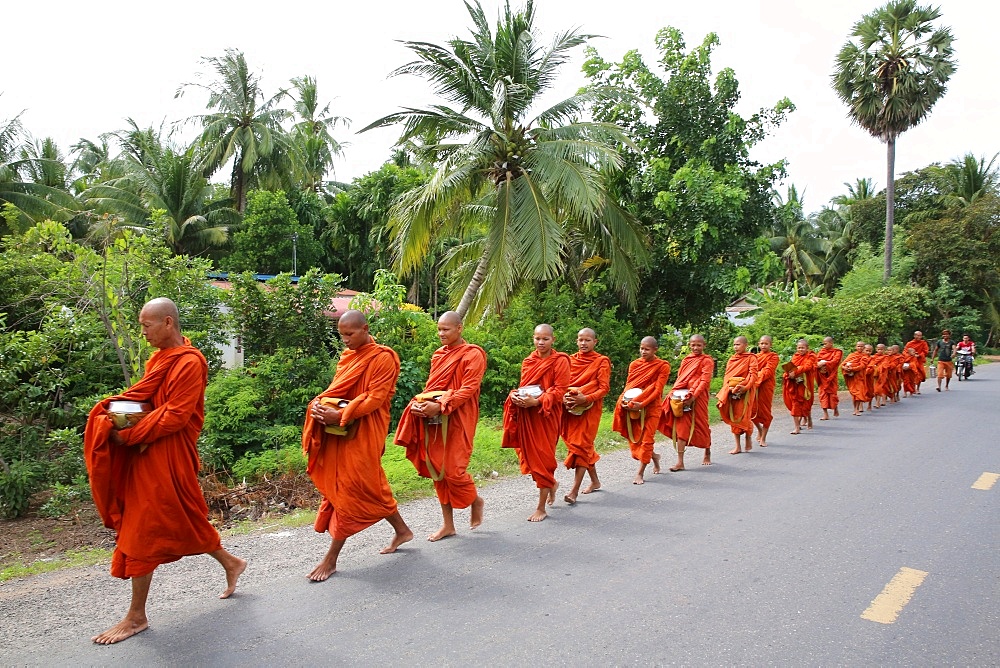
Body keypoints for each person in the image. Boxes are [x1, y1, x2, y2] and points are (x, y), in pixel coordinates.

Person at [84, 298, 246, 645]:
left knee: (142, 529)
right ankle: (231, 563)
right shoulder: (158, 359)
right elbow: (149, 403)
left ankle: (136, 617)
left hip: (170, 451)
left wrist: (126, 436)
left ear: (168, 322)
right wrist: (116, 415)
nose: (144, 333)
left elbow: (176, 415)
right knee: (183, 517)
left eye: (147, 326)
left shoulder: (190, 362)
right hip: (151, 450)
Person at [302, 310, 413, 581]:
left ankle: (331, 559)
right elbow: (337, 389)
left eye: (349, 334)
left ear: (365, 329)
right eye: (342, 335)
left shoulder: (383, 358)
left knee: (350, 488)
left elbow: (375, 398)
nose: (345, 340)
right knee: (369, 485)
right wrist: (320, 405)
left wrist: (340, 415)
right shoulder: (349, 357)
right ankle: (403, 531)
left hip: (366, 430)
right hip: (341, 432)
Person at [394, 311, 486, 541]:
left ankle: (475, 500)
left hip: (460, 415)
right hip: (435, 416)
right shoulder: (438, 355)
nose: (441, 334)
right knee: (437, 469)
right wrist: (421, 404)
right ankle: (448, 525)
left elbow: (469, 388)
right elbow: (431, 386)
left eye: (446, 329)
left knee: (454, 469)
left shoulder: (473, 354)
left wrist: (443, 404)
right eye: (439, 329)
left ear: (459, 328)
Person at [502, 324, 570, 522]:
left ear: (553, 340)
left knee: (544, 458)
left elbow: (560, 390)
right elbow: (527, 386)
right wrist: (517, 396)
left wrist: (538, 401)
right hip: (529, 415)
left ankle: (541, 507)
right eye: (537, 339)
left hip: (547, 415)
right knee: (530, 457)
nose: (541, 343)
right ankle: (551, 484)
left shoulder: (560, 361)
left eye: (545, 339)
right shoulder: (528, 361)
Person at [560, 328, 611, 503]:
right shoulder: (570, 360)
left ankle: (573, 492)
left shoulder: (601, 361)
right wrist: (566, 397)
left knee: (580, 446)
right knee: (583, 447)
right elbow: (562, 383)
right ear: (576, 341)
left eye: (588, 340)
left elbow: (604, 388)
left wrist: (586, 397)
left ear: (595, 342)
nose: (584, 343)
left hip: (590, 410)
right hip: (569, 410)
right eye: (581, 340)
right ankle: (595, 481)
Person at [612, 336, 671, 485]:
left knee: (647, 439)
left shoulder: (663, 366)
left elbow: (657, 390)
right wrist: (624, 401)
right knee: (636, 437)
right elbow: (629, 386)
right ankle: (655, 457)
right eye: (641, 348)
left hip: (652, 407)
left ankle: (640, 473)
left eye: (647, 349)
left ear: (655, 350)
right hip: (634, 406)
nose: (643, 352)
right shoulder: (634, 365)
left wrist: (642, 403)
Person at [659, 334, 715, 470]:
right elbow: (681, 378)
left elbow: (704, 380)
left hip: (699, 397)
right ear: (689, 345)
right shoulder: (686, 360)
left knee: (702, 425)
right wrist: (675, 393)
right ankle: (680, 461)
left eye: (699, 345)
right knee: (681, 427)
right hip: (683, 397)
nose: (695, 348)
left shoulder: (707, 361)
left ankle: (707, 451)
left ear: (704, 346)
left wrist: (693, 396)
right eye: (693, 345)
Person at [718, 336, 758, 455]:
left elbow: (753, 375)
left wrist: (744, 387)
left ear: (746, 345)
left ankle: (748, 437)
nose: (736, 347)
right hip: (732, 391)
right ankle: (737, 446)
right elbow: (727, 375)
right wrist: (728, 388)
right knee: (733, 416)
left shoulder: (751, 358)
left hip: (746, 391)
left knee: (745, 416)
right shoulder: (732, 359)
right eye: (734, 345)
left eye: (738, 344)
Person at [782, 339, 817, 435]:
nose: (800, 350)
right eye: (799, 348)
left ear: (807, 348)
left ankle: (809, 418)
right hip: (795, 384)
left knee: (806, 403)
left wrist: (796, 371)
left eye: (802, 348)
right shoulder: (795, 356)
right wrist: (788, 374)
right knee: (795, 404)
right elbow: (791, 366)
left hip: (805, 383)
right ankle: (797, 427)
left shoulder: (811, 356)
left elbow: (808, 366)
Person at [752, 336, 780, 448]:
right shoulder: (755, 357)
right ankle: (759, 429)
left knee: (765, 411)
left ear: (770, 345)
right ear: (758, 344)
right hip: (754, 385)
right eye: (762, 343)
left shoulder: (774, 357)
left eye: (766, 344)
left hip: (766, 386)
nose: (764, 346)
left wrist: (755, 378)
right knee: (752, 411)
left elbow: (768, 371)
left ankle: (763, 438)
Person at [816, 337, 844, 420]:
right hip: (822, 376)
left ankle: (835, 408)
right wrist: (819, 365)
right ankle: (825, 414)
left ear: (831, 343)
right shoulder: (821, 352)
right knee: (822, 394)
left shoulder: (837, 352)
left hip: (831, 376)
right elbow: (816, 361)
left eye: (826, 343)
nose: (824, 345)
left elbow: (835, 361)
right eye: (823, 343)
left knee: (832, 394)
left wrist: (825, 363)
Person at [842, 341, 869, 415]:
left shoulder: (865, 356)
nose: (859, 348)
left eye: (861, 346)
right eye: (858, 346)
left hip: (860, 377)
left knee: (858, 393)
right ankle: (855, 409)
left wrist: (852, 369)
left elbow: (862, 366)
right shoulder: (851, 355)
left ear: (864, 348)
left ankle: (857, 409)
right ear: (855, 347)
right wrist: (845, 368)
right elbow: (843, 364)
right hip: (852, 377)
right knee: (854, 394)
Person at [871, 343, 891, 408]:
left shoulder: (886, 357)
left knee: (878, 389)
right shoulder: (873, 357)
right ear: (876, 349)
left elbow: (885, 365)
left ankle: (878, 402)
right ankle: (878, 402)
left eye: (881, 349)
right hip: (874, 375)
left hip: (882, 375)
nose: (880, 351)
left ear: (884, 350)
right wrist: (874, 368)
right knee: (874, 390)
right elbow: (870, 364)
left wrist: (878, 368)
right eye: (878, 349)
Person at [863, 343, 876, 411]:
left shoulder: (872, 358)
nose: (868, 352)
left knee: (870, 391)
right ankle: (860, 406)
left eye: (870, 351)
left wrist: (865, 371)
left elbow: (871, 367)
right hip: (861, 377)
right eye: (866, 350)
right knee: (861, 391)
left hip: (869, 377)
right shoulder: (860, 357)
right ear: (863, 350)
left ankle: (869, 405)